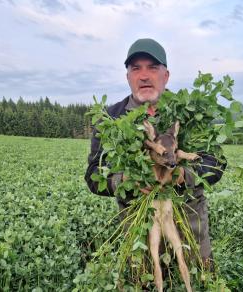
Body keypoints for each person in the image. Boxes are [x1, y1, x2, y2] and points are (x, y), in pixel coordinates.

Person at [84, 38, 226, 268]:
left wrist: (182, 175)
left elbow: (216, 163)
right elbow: (93, 176)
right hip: (140, 236)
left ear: (166, 75)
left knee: (200, 281)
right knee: (143, 281)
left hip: (192, 237)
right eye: (136, 68)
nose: (144, 75)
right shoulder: (110, 119)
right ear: (128, 77)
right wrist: (125, 180)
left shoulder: (189, 112)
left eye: (152, 67)